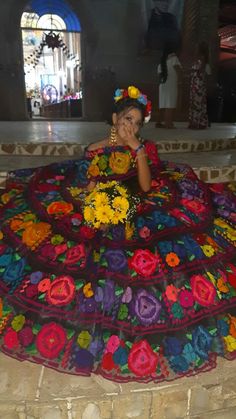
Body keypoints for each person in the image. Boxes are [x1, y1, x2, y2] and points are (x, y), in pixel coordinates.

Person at [0, 86, 235, 383]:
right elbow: (90, 182)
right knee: (67, 242)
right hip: (105, 203)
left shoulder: (144, 148)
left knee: (158, 254)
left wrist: (136, 149)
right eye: (126, 119)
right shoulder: (96, 150)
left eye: (137, 122)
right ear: (114, 118)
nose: (131, 127)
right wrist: (92, 198)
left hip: (138, 200)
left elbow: (147, 186)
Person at [156, 44, 182, 128]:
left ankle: (159, 122)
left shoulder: (162, 62)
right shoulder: (174, 59)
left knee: (162, 104)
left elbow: (159, 76)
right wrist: (180, 82)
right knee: (170, 104)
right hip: (171, 84)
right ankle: (168, 123)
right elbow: (179, 71)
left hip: (163, 85)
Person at [189, 42, 212, 129]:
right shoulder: (203, 60)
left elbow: (200, 71)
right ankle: (198, 123)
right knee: (198, 103)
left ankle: (195, 123)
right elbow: (208, 73)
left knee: (196, 103)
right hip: (198, 83)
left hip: (197, 84)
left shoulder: (200, 60)